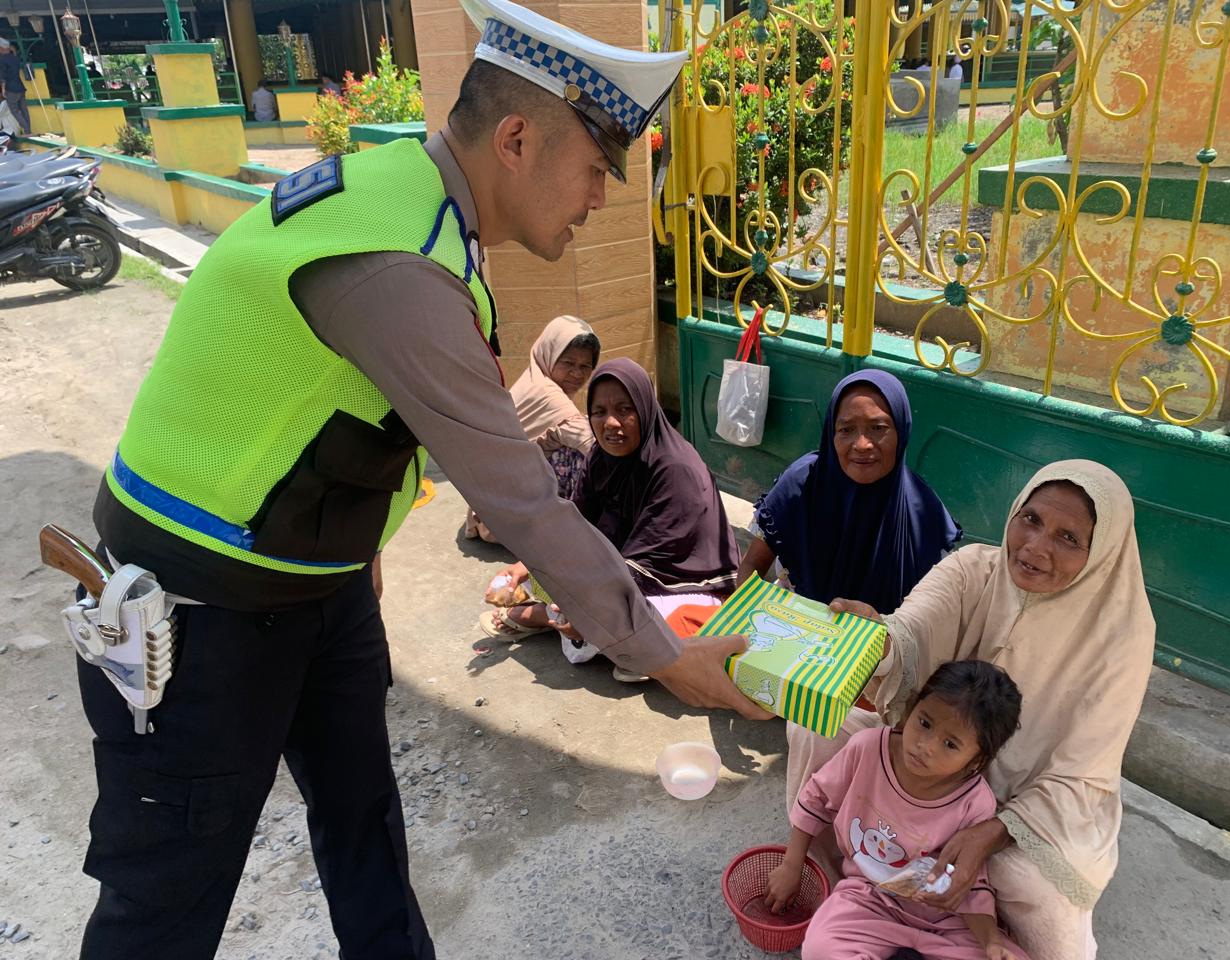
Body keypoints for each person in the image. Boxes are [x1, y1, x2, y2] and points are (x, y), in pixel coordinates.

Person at [70, 0, 766, 957]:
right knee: (166, 899)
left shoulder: (411, 198)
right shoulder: (400, 260)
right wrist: (667, 655)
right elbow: (523, 500)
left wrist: (358, 555)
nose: (603, 198)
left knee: (365, 832)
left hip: (320, 582)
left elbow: (340, 412)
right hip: (202, 605)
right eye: (597, 167)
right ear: (516, 139)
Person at [786, 460, 1156, 960]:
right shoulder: (973, 569)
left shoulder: (1122, 637)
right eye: (1031, 519)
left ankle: (994, 941)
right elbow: (911, 630)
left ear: (1102, 553)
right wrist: (876, 639)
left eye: (1068, 538)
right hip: (934, 752)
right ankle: (838, 887)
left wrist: (992, 831)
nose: (1036, 547)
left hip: (1031, 797)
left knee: (1026, 877)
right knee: (818, 729)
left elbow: (1083, 772)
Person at [482, 359, 740, 674]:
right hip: (622, 566)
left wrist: (586, 608)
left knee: (632, 625)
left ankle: (543, 616)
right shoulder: (601, 457)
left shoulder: (675, 470)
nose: (611, 423)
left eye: (624, 410)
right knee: (546, 568)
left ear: (645, 409)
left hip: (681, 583)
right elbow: (575, 523)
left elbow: (647, 564)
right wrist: (523, 568)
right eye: (599, 412)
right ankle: (567, 620)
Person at [767, 660, 1028, 960]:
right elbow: (815, 798)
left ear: (976, 761)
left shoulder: (975, 802)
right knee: (819, 947)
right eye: (925, 723)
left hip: (946, 922)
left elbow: (970, 884)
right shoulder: (866, 749)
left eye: (950, 744)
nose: (926, 746)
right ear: (912, 709)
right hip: (869, 898)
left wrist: (991, 942)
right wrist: (792, 865)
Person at [739, 370, 961, 611]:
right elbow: (752, 568)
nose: (862, 445)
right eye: (846, 430)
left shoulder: (923, 511)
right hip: (790, 624)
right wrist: (747, 619)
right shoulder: (801, 485)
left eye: (878, 428)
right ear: (831, 433)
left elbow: (933, 612)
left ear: (902, 432)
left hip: (881, 634)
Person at [465, 314, 599, 542]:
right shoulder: (548, 396)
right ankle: (575, 529)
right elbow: (591, 443)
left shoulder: (533, 379)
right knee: (588, 456)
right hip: (505, 516)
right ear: (550, 354)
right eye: (568, 363)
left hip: (490, 504)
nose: (577, 374)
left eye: (585, 366)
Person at [0, 38, 30, 136]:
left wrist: (3, 89)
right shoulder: (15, 58)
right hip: (20, 87)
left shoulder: (2, 60)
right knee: (24, 109)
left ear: (1, 48)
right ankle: (28, 131)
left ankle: (26, 130)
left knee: (15, 111)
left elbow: (3, 77)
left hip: (11, 89)